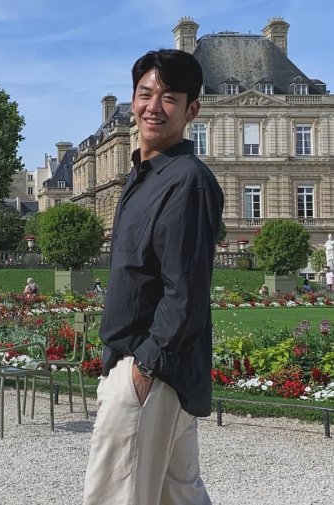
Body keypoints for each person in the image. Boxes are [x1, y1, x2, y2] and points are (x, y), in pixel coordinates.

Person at [83, 50, 223, 505]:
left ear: (191, 110)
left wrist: (142, 370)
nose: (153, 106)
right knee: (179, 495)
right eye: (145, 94)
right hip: (148, 371)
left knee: (116, 496)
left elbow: (185, 293)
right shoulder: (141, 176)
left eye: (169, 98)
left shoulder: (187, 182)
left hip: (151, 373)